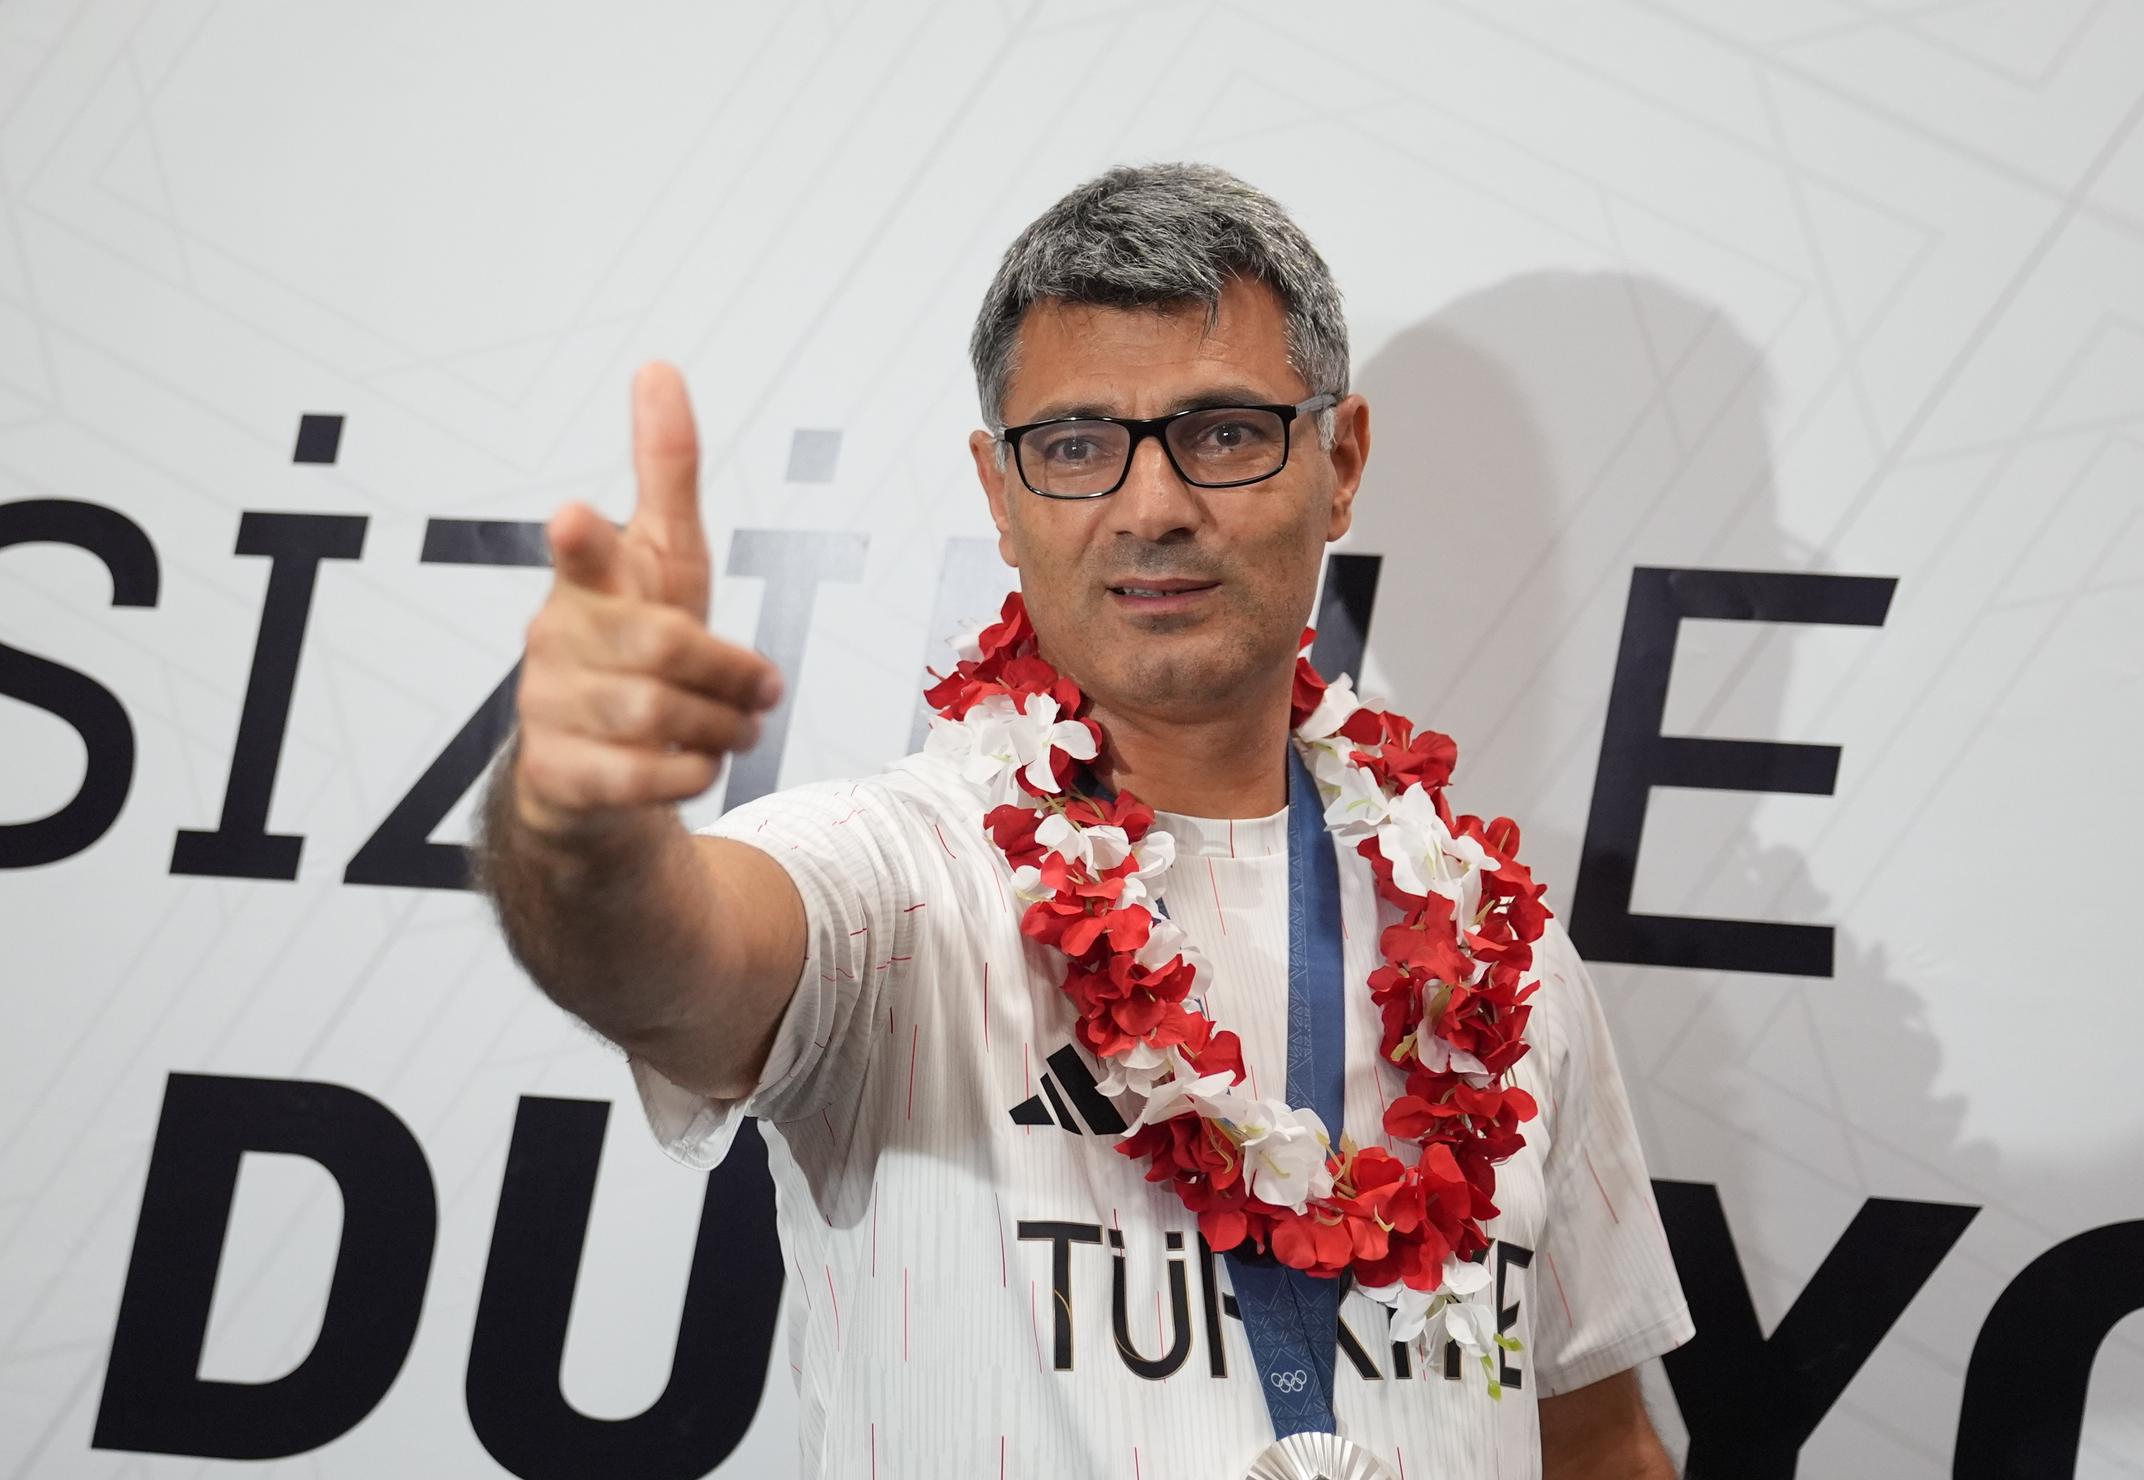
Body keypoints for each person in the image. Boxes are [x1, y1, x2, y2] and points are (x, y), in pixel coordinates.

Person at [477, 163, 1691, 1478]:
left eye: (1224, 430)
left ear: (1338, 465)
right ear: (1001, 497)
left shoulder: (1503, 961)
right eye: (1075, 446)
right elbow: (659, 955)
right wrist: (574, 822)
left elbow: (1599, 1444)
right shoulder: (897, 881)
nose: (1154, 504)